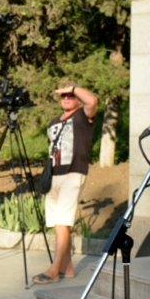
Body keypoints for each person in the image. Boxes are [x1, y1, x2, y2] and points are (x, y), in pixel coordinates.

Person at [33, 82, 99, 284]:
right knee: (57, 223)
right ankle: (67, 268)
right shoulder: (53, 121)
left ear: (77, 98)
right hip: (55, 174)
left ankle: (54, 270)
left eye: (70, 96)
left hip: (74, 173)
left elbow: (93, 100)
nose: (67, 99)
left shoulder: (82, 116)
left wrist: (72, 87)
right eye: (64, 97)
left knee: (63, 221)